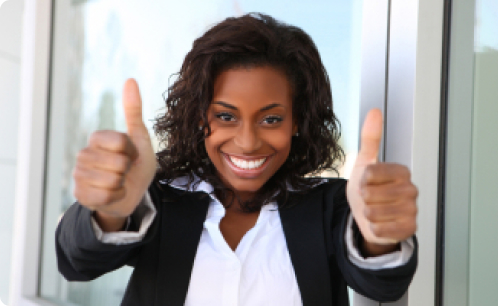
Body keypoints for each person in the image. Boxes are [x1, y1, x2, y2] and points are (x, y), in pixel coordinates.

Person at [56, 13, 418, 306]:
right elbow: (76, 261)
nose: (247, 142)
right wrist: (110, 212)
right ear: (201, 117)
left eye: (271, 119)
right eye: (226, 116)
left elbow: (383, 286)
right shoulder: (159, 203)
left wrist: (379, 239)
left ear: (297, 122)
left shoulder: (331, 208)